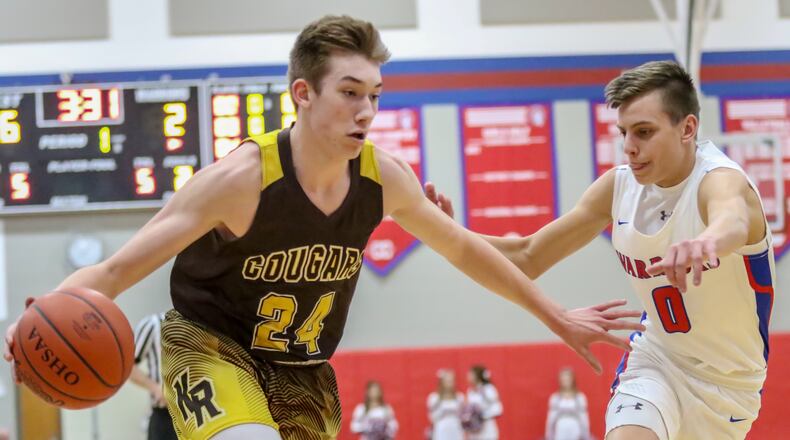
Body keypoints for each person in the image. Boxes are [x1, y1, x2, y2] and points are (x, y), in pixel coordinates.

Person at [4, 15, 644, 440]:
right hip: (210, 346)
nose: (367, 110)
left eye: (376, 93)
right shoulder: (240, 180)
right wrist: (43, 313)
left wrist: (554, 316)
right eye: (349, 92)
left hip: (302, 367)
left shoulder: (385, 178)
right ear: (302, 94)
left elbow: (467, 252)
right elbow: (117, 271)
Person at [426, 60, 775, 440]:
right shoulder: (618, 187)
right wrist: (444, 233)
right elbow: (527, 256)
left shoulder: (720, 180)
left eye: (644, 132)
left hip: (729, 382)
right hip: (657, 360)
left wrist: (706, 243)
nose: (629, 147)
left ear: (687, 128)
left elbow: (733, 219)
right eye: (623, 132)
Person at [129, 312, 178, 440]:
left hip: (198, 414)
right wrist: (156, 388)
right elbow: (127, 366)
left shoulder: (202, 325)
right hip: (165, 416)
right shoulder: (153, 324)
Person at [545, 368, 590, 440]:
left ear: (572, 380)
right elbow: (551, 419)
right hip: (560, 429)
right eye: (563, 379)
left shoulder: (580, 397)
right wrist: (548, 435)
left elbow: (584, 418)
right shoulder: (555, 398)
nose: (566, 381)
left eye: (568, 379)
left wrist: (586, 435)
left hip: (575, 429)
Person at [462, 365, 502, 440]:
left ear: (477, 376)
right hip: (474, 431)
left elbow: (498, 408)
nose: (468, 376)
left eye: (471, 374)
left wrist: (482, 416)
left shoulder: (488, 389)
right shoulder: (470, 391)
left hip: (487, 430)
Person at [427, 370, 464, 440]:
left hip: (456, 429)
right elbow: (432, 416)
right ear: (442, 382)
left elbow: (463, 416)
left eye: (452, 381)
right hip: (441, 430)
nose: (450, 383)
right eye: (447, 381)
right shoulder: (434, 398)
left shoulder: (459, 397)